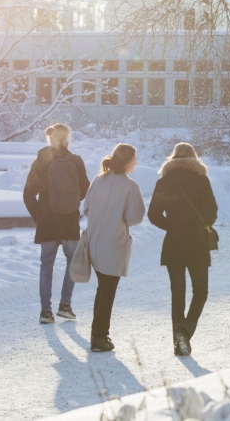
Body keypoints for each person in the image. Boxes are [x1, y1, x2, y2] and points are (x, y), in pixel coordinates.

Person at [148, 143, 218, 357]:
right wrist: (198, 224)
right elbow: (212, 212)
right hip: (197, 242)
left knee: (177, 294)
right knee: (201, 292)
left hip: (173, 244)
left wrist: (171, 225)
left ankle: (179, 345)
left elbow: (153, 214)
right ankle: (185, 330)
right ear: (194, 158)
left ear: (173, 158)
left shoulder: (163, 182)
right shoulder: (201, 180)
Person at [24, 123, 90, 324]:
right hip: (69, 220)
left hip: (47, 221)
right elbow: (85, 189)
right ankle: (65, 305)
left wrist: (40, 216)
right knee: (72, 261)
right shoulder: (76, 161)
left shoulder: (41, 161)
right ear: (66, 139)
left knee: (46, 265)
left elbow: (28, 194)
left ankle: (45, 311)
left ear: (49, 139)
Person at [83, 144, 145, 352]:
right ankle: (100, 337)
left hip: (94, 242)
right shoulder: (130, 186)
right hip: (114, 243)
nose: (136, 162)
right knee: (107, 292)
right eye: (134, 158)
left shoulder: (98, 180)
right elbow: (135, 217)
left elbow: (86, 208)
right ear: (128, 161)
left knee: (103, 290)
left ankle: (97, 334)